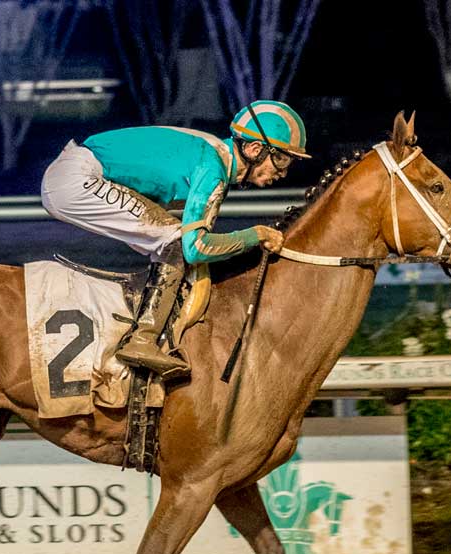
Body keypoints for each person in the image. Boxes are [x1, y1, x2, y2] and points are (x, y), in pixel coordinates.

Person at [41, 100, 310, 378]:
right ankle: (142, 340)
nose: (283, 172)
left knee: (172, 238)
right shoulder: (213, 168)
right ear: (255, 149)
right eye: (280, 159)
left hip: (77, 172)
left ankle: (146, 331)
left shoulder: (215, 156)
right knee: (176, 239)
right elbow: (196, 248)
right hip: (76, 179)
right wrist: (256, 235)